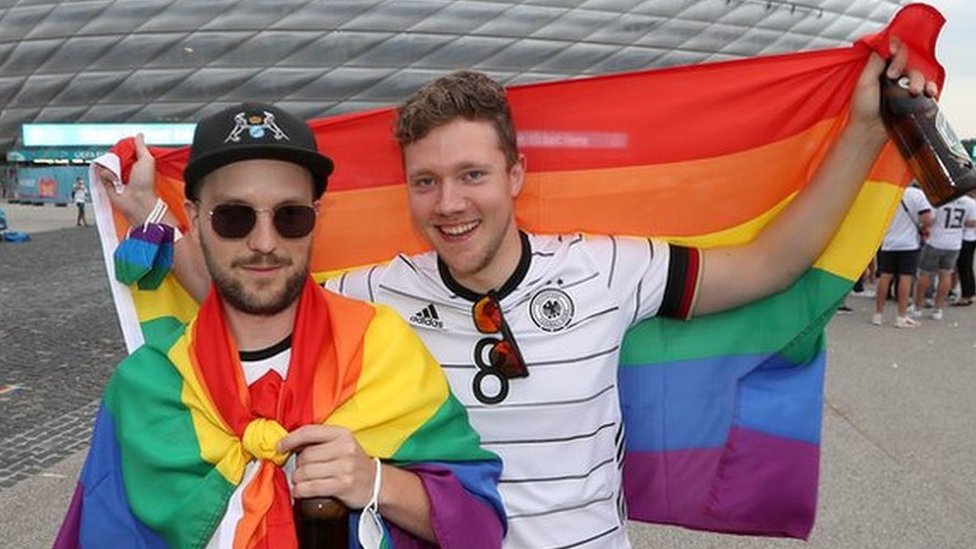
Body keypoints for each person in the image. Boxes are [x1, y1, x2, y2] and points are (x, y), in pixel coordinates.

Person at [97, 38, 935, 548]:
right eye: (425, 182)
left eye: (471, 175)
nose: (450, 204)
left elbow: (771, 264)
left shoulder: (612, 267)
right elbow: (255, 282)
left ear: (516, 175)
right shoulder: (379, 292)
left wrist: (863, 127)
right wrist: (151, 222)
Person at [59, 103, 504, 548]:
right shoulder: (145, 387)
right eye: (234, 217)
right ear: (195, 220)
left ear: (316, 217)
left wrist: (377, 482)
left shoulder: (382, 348)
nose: (265, 243)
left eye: (291, 216)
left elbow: (479, 526)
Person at [872, 183, 933, 327]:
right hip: (908, 243)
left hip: (888, 241)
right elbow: (927, 219)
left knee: (885, 276)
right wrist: (923, 227)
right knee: (905, 277)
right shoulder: (917, 194)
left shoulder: (888, 191)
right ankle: (901, 316)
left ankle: (878, 314)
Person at [911, 195, 976, 320]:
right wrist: (963, 223)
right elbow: (972, 222)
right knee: (946, 275)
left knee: (925, 274)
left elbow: (929, 220)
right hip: (954, 243)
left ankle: (917, 306)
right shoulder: (969, 202)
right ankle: (938, 309)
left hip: (935, 240)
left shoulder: (939, 199)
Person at [951, 191, 976, 307]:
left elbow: (973, 222)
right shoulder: (971, 202)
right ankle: (969, 293)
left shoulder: (966, 202)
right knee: (966, 267)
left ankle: (967, 295)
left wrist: (962, 222)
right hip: (969, 238)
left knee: (963, 267)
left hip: (966, 238)